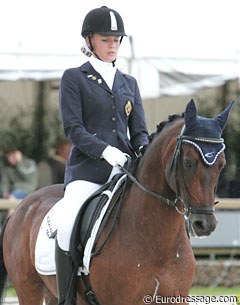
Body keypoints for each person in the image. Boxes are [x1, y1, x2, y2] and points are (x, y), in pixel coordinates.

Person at [55, 6, 149, 305]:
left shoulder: (129, 83)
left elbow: (140, 131)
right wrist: (105, 151)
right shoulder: (75, 78)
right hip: (88, 173)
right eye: (105, 39)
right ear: (89, 40)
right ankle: (67, 297)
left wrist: (144, 151)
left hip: (125, 172)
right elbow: (74, 129)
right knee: (67, 223)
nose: (112, 45)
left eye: (116, 40)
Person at [0, 148, 38, 214]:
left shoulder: (29, 163)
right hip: (12, 191)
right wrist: (4, 193)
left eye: (13, 155)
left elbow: (27, 177)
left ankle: (10, 219)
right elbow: (4, 182)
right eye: (9, 156)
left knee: (12, 197)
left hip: (27, 190)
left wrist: (18, 162)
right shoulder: (7, 168)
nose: (11, 158)